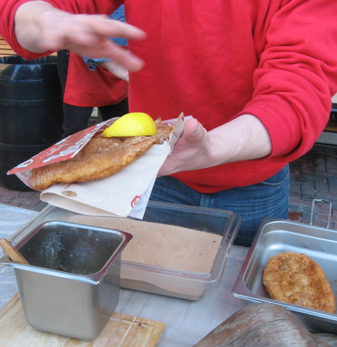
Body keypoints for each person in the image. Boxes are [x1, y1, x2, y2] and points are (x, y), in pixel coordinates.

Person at [1, 1, 337, 246]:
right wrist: (45, 20)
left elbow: (300, 88)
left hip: (253, 186)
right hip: (153, 174)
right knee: (141, 298)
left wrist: (215, 147)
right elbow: (21, 10)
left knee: (242, 316)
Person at [56, 5, 128, 138]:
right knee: (75, 134)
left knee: (123, 130)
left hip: (118, 57)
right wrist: (115, 67)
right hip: (79, 60)